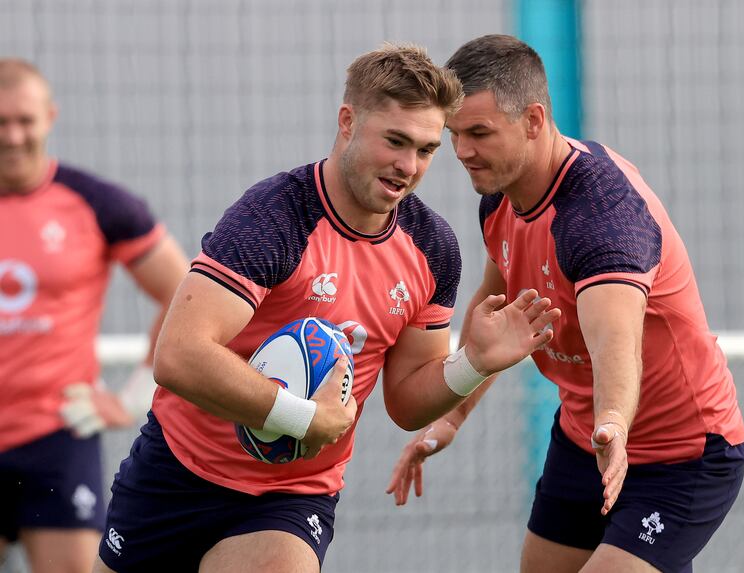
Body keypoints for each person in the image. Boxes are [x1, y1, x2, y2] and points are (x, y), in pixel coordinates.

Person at [91, 43, 560, 573]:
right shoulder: (274, 218)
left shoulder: (433, 248)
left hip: (290, 496)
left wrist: (474, 363)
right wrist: (303, 418)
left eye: (427, 150)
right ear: (347, 121)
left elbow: (407, 403)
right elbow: (178, 356)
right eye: (395, 141)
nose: (408, 166)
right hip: (177, 471)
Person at [387, 34, 744, 573]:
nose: (460, 152)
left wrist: (614, 426)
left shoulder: (603, 215)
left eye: (479, 133)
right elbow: (496, 322)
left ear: (533, 120)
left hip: (682, 454)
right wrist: (451, 419)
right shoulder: (500, 198)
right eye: (454, 133)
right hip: (585, 441)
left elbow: (614, 343)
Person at [0, 59, 188, 573]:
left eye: (25, 120)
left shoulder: (99, 204)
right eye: (0, 122)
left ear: (50, 117)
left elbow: (186, 293)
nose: (13, 136)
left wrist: (132, 398)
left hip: (55, 437)